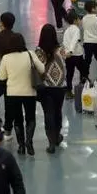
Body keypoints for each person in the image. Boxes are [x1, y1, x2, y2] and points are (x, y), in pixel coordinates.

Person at [0, 33, 45, 155]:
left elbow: (1, 76)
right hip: (29, 92)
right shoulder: (30, 54)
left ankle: (21, 146)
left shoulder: (6, 57)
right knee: (30, 118)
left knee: (17, 120)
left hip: (12, 94)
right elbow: (42, 69)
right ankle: (29, 142)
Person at [34, 24, 67, 153]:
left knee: (48, 113)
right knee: (58, 112)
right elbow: (65, 64)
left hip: (45, 88)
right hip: (60, 87)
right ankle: (57, 136)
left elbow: (37, 69)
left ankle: (51, 142)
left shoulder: (38, 52)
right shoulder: (61, 49)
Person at [61, 9, 86, 97]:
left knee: (69, 73)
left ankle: (69, 91)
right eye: (79, 19)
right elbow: (74, 41)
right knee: (83, 70)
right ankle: (82, 88)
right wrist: (71, 51)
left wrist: (67, 52)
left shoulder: (67, 30)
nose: (80, 20)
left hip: (68, 56)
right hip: (77, 55)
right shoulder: (76, 29)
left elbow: (65, 42)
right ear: (75, 20)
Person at [81, 0, 97, 78]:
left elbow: (84, 29)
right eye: (96, 7)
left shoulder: (84, 19)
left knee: (87, 60)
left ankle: (85, 75)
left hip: (87, 43)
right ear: (93, 9)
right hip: (96, 43)